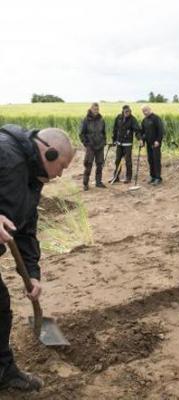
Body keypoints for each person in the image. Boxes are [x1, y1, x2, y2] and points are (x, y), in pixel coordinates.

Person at [0, 124, 74, 391]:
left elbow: (26, 230)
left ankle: (4, 373)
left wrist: (32, 273)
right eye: (62, 167)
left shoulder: (33, 178)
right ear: (50, 154)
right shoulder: (4, 151)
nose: (60, 174)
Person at [110, 105, 141, 183]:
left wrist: (140, 139)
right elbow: (115, 129)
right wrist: (114, 140)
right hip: (119, 143)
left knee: (128, 161)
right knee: (117, 160)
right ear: (123, 111)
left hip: (128, 144)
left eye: (129, 111)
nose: (128, 113)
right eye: (126, 111)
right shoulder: (119, 117)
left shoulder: (133, 119)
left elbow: (137, 130)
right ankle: (116, 177)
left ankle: (128, 177)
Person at [80, 102, 107, 190]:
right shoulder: (86, 120)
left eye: (97, 109)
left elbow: (103, 132)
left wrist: (104, 141)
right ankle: (85, 184)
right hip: (90, 146)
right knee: (88, 164)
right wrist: (86, 143)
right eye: (94, 109)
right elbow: (82, 134)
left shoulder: (101, 120)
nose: (96, 111)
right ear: (91, 109)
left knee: (100, 164)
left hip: (100, 146)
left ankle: (98, 182)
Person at [141, 106, 165, 185]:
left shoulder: (156, 118)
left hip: (155, 144)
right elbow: (143, 133)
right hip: (148, 144)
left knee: (156, 160)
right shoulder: (144, 120)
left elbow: (161, 130)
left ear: (150, 109)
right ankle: (153, 177)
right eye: (143, 111)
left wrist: (158, 140)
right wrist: (142, 141)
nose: (145, 112)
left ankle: (158, 178)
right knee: (150, 160)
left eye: (146, 110)